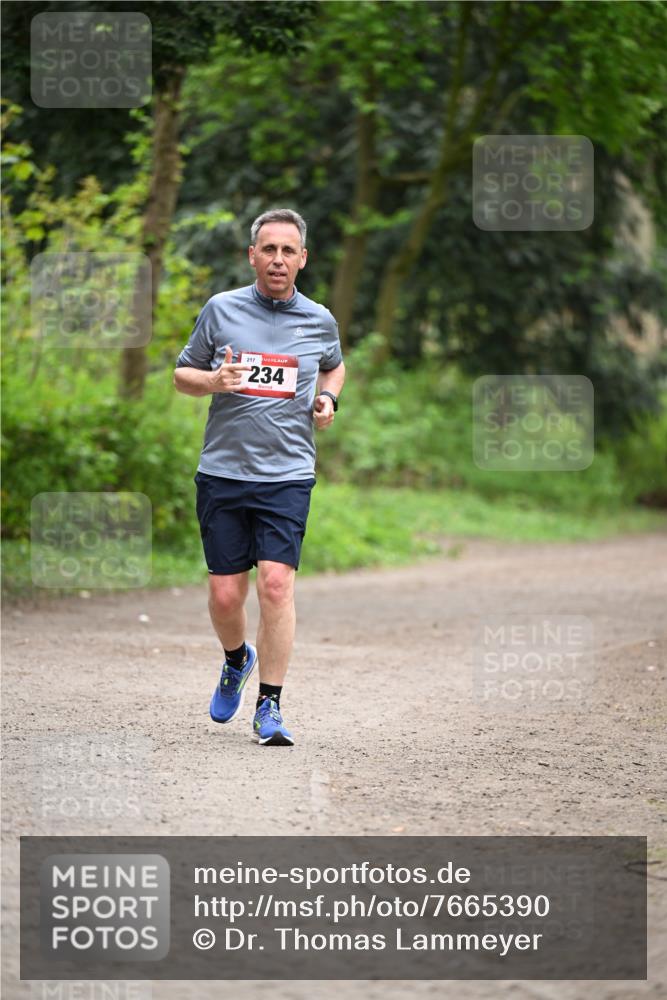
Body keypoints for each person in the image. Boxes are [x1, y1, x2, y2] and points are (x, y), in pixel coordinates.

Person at [173, 208, 345, 746]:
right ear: (253, 256)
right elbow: (182, 374)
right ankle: (235, 659)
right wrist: (213, 379)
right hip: (223, 472)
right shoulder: (221, 309)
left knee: (275, 585)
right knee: (227, 597)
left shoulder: (319, 319)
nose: (277, 259)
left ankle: (269, 705)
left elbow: (334, 365)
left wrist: (328, 397)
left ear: (302, 259)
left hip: (288, 475)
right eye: (268, 249)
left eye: (287, 250)